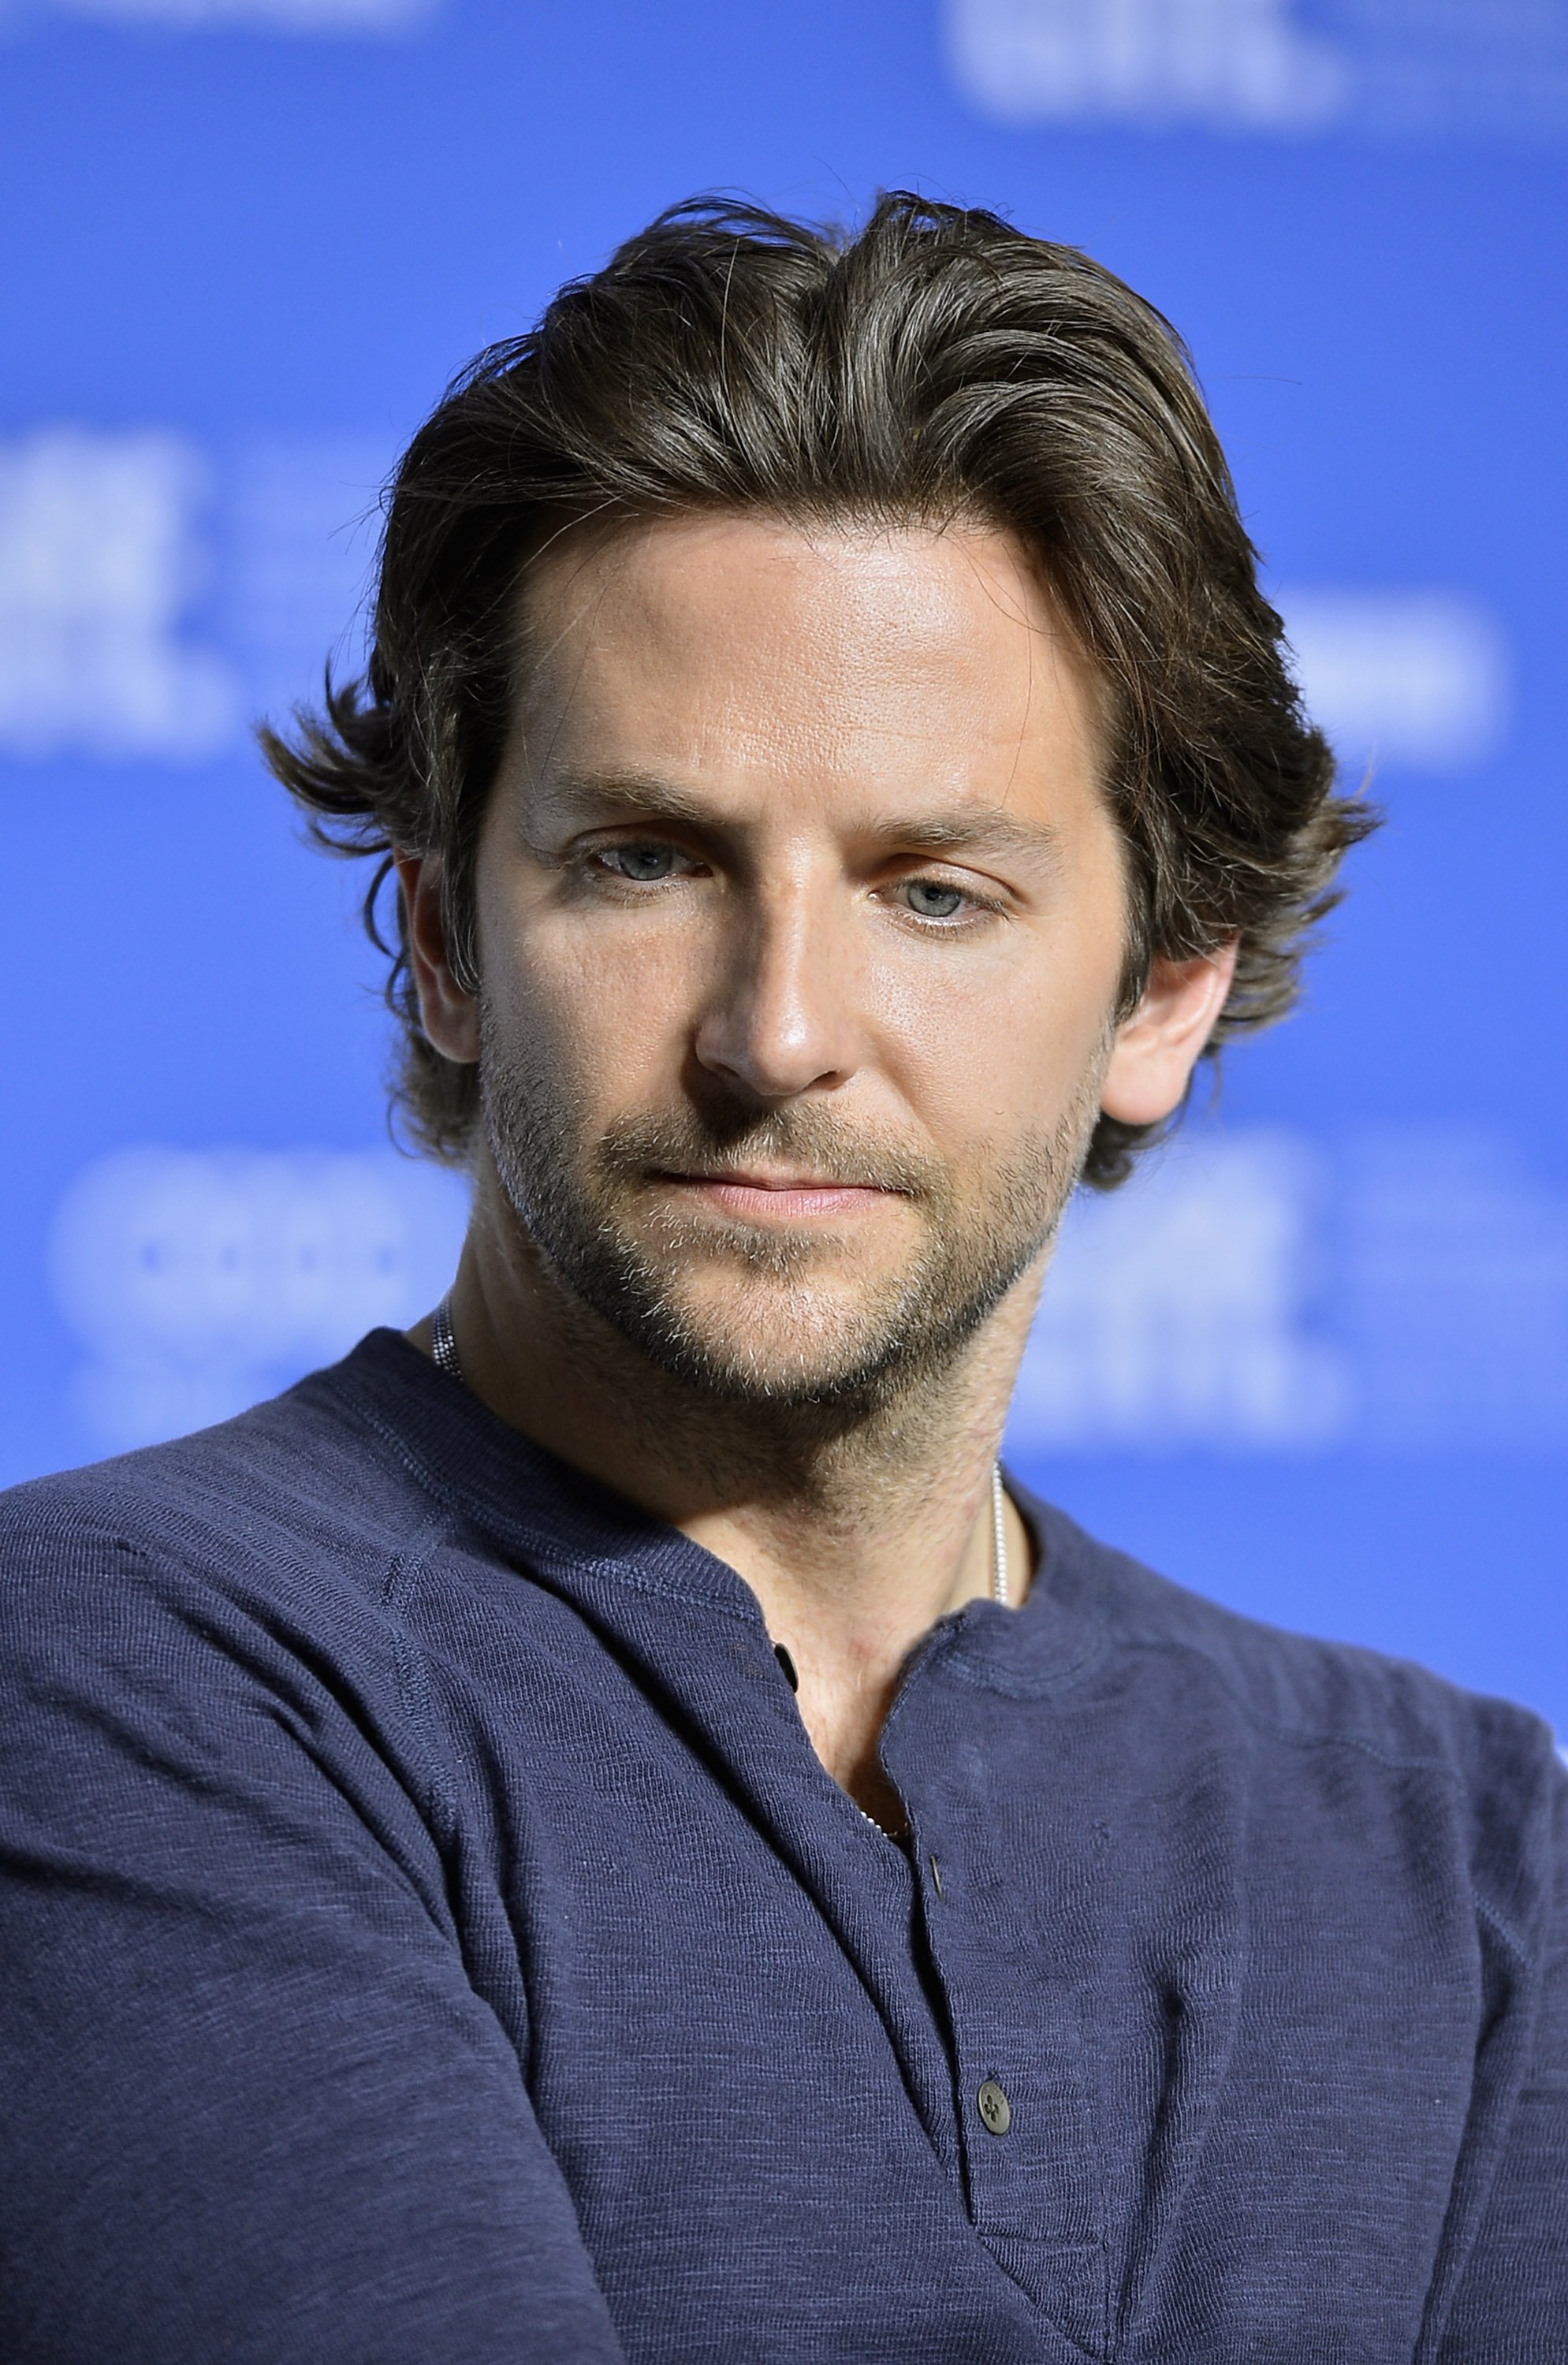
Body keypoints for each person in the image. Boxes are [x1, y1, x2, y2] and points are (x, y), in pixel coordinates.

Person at [0, 194, 1561, 2364]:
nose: (776, 1028)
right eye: (648, 861)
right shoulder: (110, 1673)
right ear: (445, 937)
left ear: (1164, 992)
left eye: (934, 891)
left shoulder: (1470, 1862)